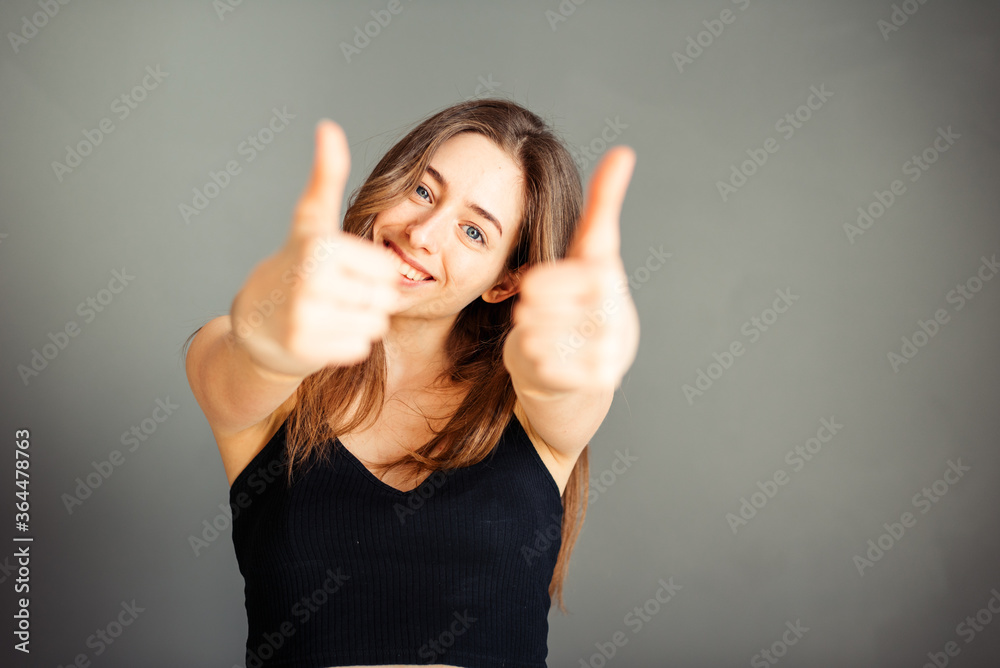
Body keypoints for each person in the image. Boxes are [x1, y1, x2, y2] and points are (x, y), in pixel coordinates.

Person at [183, 98, 639, 668]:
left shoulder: (531, 410)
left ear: (504, 282)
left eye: (474, 231)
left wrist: (569, 368)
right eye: (423, 191)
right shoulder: (252, 370)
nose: (423, 233)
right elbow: (238, 370)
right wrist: (269, 349)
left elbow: (567, 389)